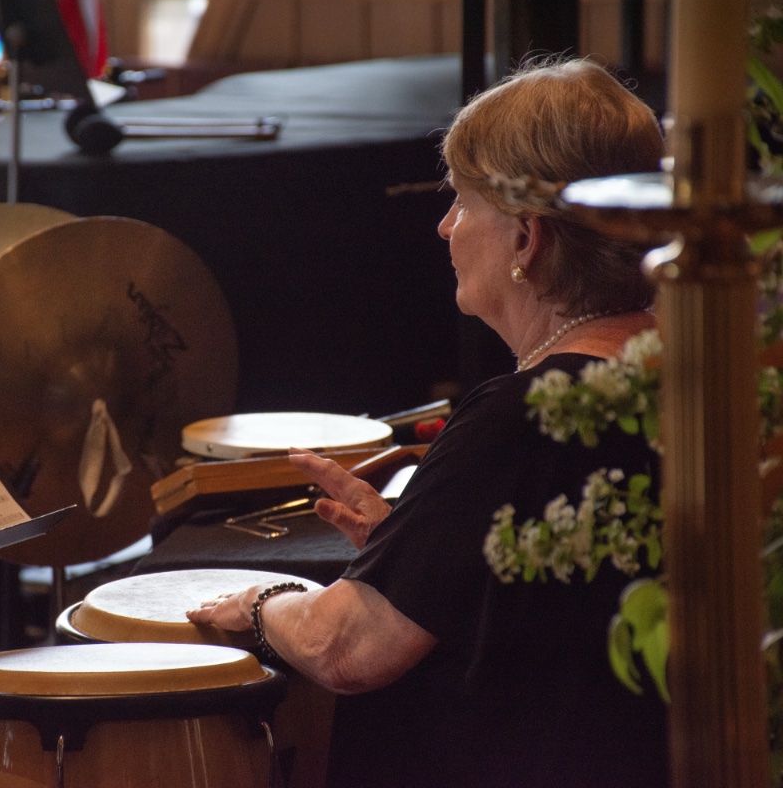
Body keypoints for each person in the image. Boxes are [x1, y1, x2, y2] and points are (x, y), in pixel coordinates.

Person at [186, 57, 670, 787]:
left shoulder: (522, 418)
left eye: (463, 202)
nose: (445, 227)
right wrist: (412, 546)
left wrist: (261, 604)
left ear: (526, 239)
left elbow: (346, 650)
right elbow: (554, 608)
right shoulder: (684, 376)